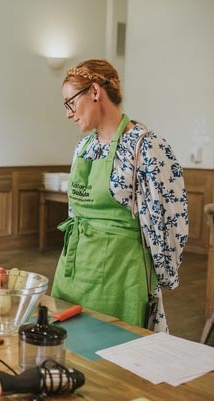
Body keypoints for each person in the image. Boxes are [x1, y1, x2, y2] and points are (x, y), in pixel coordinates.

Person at [52, 59, 188, 332]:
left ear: (94, 92)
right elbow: (73, 213)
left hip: (119, 280)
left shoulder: (146, 147)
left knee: (113, 358)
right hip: (73, 272)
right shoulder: (83, 147)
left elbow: (171, 221)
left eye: (71, 103)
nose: (68, 114)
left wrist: (162, 276)